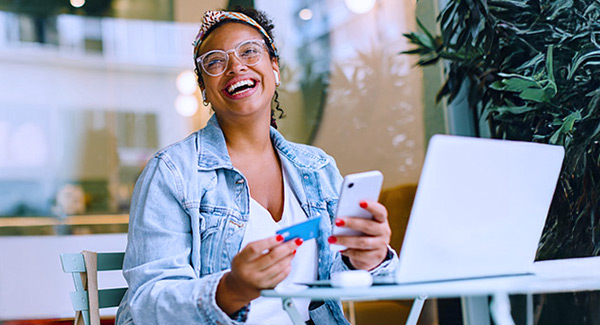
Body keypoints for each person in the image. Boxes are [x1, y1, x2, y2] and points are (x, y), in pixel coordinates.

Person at [116, 7, 398, 325]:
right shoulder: (172, 173)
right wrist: (231, 290)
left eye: (249, 51)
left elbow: (335, 277)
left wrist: (369, 259)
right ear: (205, 91)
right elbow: (146, 304)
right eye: (215, 62)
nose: (236, 66)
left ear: (274, 68)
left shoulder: (317, 168)